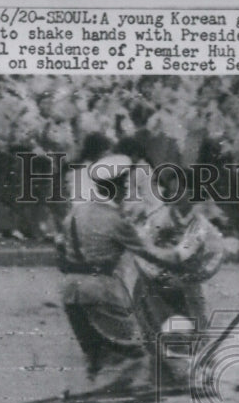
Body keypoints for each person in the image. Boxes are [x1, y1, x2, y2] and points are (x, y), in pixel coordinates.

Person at [58, 155, 210, 386]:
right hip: (101, 289)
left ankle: (95, 389)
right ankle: (122, 394)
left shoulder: (73, 216)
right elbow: (152, 254)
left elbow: (60, 254)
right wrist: (180, 255)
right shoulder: (115, 220)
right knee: (136, 354)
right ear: (116, 188)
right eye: (125, 187)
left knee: (98, 353)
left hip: (69, 291)